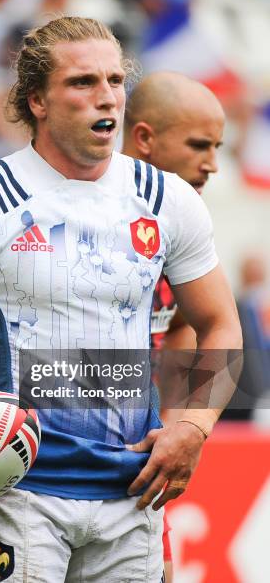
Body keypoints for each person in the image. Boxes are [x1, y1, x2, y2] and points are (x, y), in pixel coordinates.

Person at [0, 16, 241, 582]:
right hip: (22, 492)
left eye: (114, 80)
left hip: (134, 494)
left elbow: (221, 324)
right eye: (83, 82)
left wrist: (192, 428)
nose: (106, 96)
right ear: (37, 100)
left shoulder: (167, 199)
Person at [122, 70, 226, 583]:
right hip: (54, 473)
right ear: (144, 139)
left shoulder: (183, 224)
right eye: (198, 145)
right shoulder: (82, 212)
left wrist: (180, 423)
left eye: (218, 146)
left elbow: (197, 327)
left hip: (135, 476)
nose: (212, 163)